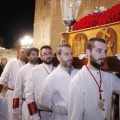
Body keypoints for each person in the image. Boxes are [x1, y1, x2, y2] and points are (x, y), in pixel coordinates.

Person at [68, 37, 120, 120]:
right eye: (99, 51)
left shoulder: (109, 78)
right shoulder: (78, 80)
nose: (104, 55)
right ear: (88, 52)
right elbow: (75, 116)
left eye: (105, 51)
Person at [40, 43, 78, 120]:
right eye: (66, 54)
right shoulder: (52, 77)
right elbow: (44, 102)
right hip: (62, 117)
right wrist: (60, 109)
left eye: (71, 54)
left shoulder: (79, 74)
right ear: (58, 56)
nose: (70, 57)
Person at [25, 45, 56, 120]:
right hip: (41, 114)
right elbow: (29, 94)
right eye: (45, 54)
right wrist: (34, 115)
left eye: (49, 53)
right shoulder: (34, 71)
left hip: (56, 114)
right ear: (41, 57)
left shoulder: (57, 70)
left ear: (52, 55)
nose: (48, 56)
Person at [0, 48, 27, 120]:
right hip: (12, 94)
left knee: (23, 115)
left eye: (26, 53)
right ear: (18, 54)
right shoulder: (12, 63)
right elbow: (3, 78)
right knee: (11, 115)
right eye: (22, 52)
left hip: (24, 95)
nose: (24, 54)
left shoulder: (29, 66)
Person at [13, 47, 39, 120]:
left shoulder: (41, 68)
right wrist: (15, 109)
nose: (35, 56)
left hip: (40, 105)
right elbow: (17, 90)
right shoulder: (21, 70)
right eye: (33, 54)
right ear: (28, 56)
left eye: (37, 54)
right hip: (27, 105)